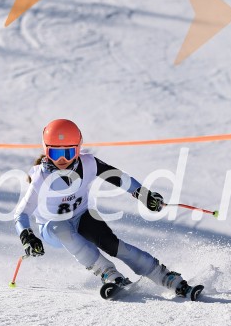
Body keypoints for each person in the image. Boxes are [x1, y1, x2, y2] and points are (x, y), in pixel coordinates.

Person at [13, 119, 203, 300]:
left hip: (82, 217)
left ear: (78, 149)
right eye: (55, 154)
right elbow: (20, 213)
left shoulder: (88, 163)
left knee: (113, 244)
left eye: (69, 153)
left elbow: (118, 177)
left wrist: (144, 194)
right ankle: (108, 273)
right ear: (46, 151)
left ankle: (167, 277)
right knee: (60, 228)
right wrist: (27, 235)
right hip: (51, 228)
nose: (62, 159)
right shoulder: (40, 177)